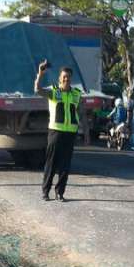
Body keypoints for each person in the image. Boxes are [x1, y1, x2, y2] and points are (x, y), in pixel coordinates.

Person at [34, 61, 89, 202]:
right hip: (55, 132)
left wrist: (87, 134)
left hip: (70, 134)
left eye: (69, 77)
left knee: (65, 165)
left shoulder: (76, 94)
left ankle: (60, 193)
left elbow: (82, 114)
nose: (66, 79)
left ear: (71, 79)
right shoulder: (54, 92)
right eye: (64, 77)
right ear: (60, 78)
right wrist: (40, 73)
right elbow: (38, 90)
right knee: (51, 163)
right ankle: (45, 192)